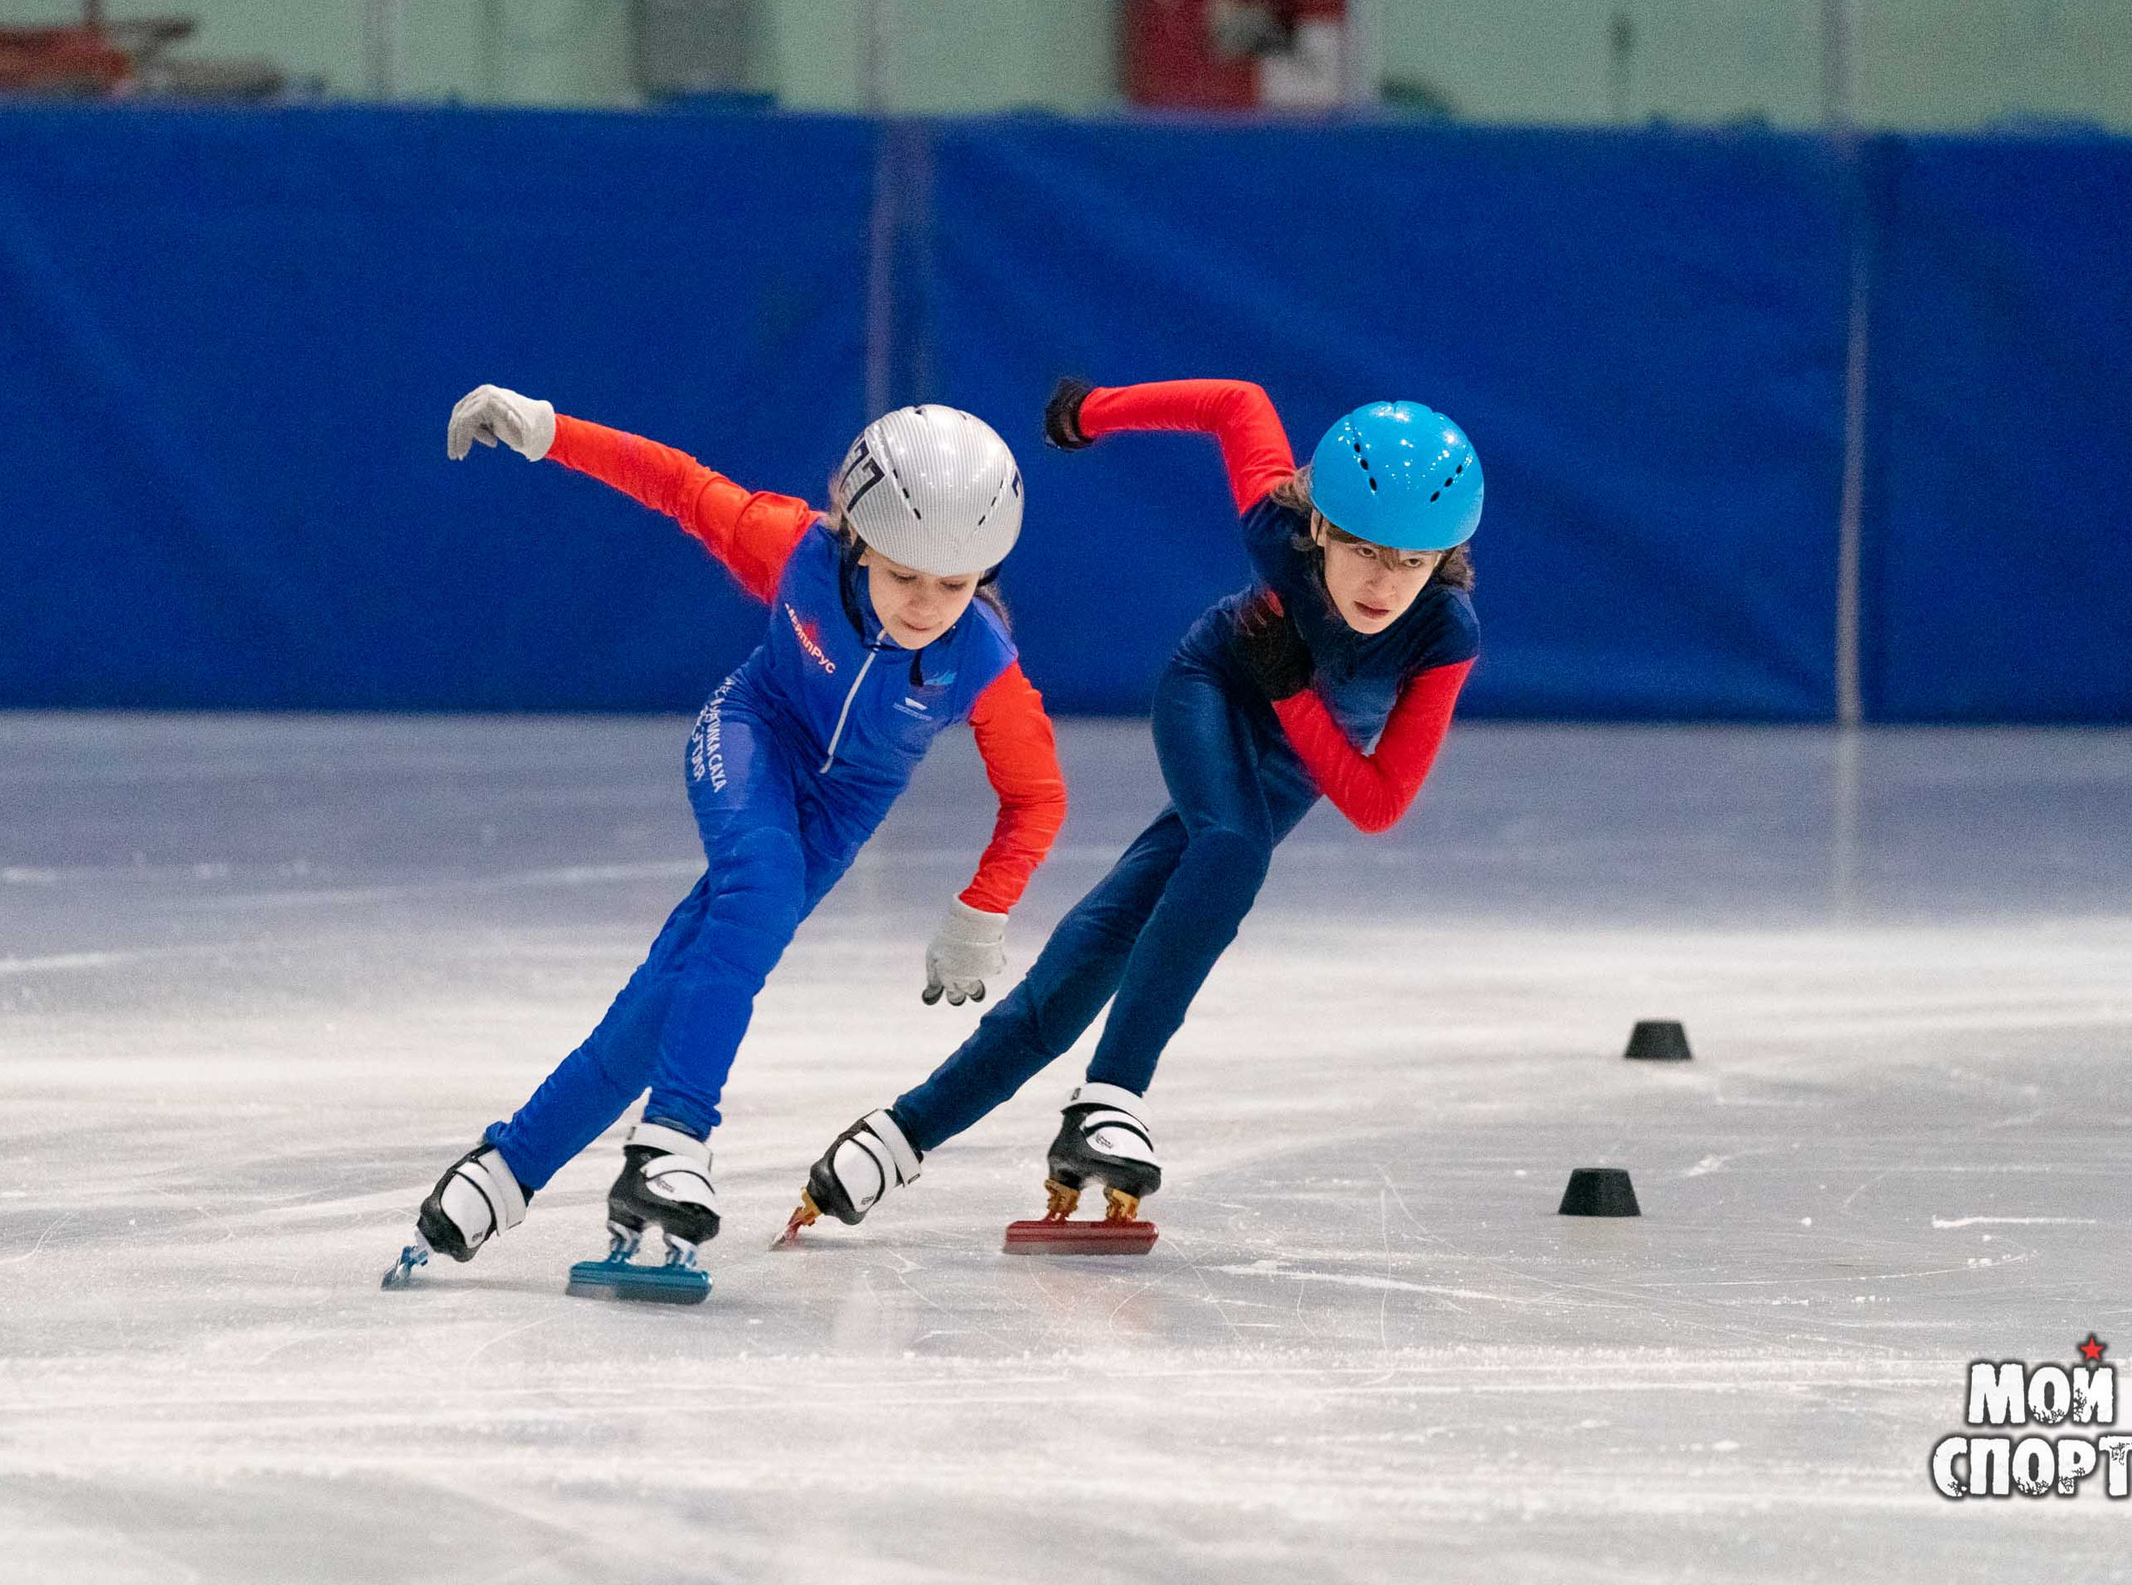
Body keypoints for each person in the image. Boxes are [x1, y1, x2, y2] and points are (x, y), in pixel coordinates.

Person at [393, 384, 1066, 1285]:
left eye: (955, 584)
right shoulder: (792, 547)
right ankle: (674, 1135)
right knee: (759, 884)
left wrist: (984, 906)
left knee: (676, 989)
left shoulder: (982, 661)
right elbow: (674, 482)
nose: (926, 603)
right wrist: (550, 431)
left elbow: (1037, 796)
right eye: (904, 573)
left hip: (840, 810)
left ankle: (505, 1169)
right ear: (858, 537)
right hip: (750, 733)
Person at [786, 377, 1480, 1239]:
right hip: (1214, 688)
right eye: (1366, 552)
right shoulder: (1276, 527)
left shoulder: (1444, 633)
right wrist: (1090, 412)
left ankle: (898, 1133)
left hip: (1301, 754)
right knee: (1231, 846)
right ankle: (1113, 1095)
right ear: (1321, 527)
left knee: (1114, 935)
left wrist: (1298, 694)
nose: (1385, 584)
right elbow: (1240, 405)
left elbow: (1377, 804)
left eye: (1411, 563)